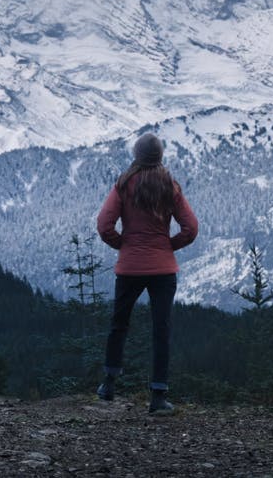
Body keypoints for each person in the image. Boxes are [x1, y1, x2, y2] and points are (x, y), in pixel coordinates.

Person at [94, 133, 199, 414]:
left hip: (130, 267)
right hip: (163, 270)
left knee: (119, 324)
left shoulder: (124, 184)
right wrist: (167, 246)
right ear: (160, 155)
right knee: (161, 330)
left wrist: (124, 245)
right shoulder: (170, 186)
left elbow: (104, 225)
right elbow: (191, 228)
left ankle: (108, 385)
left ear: (137, 155)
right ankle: (158, 396)